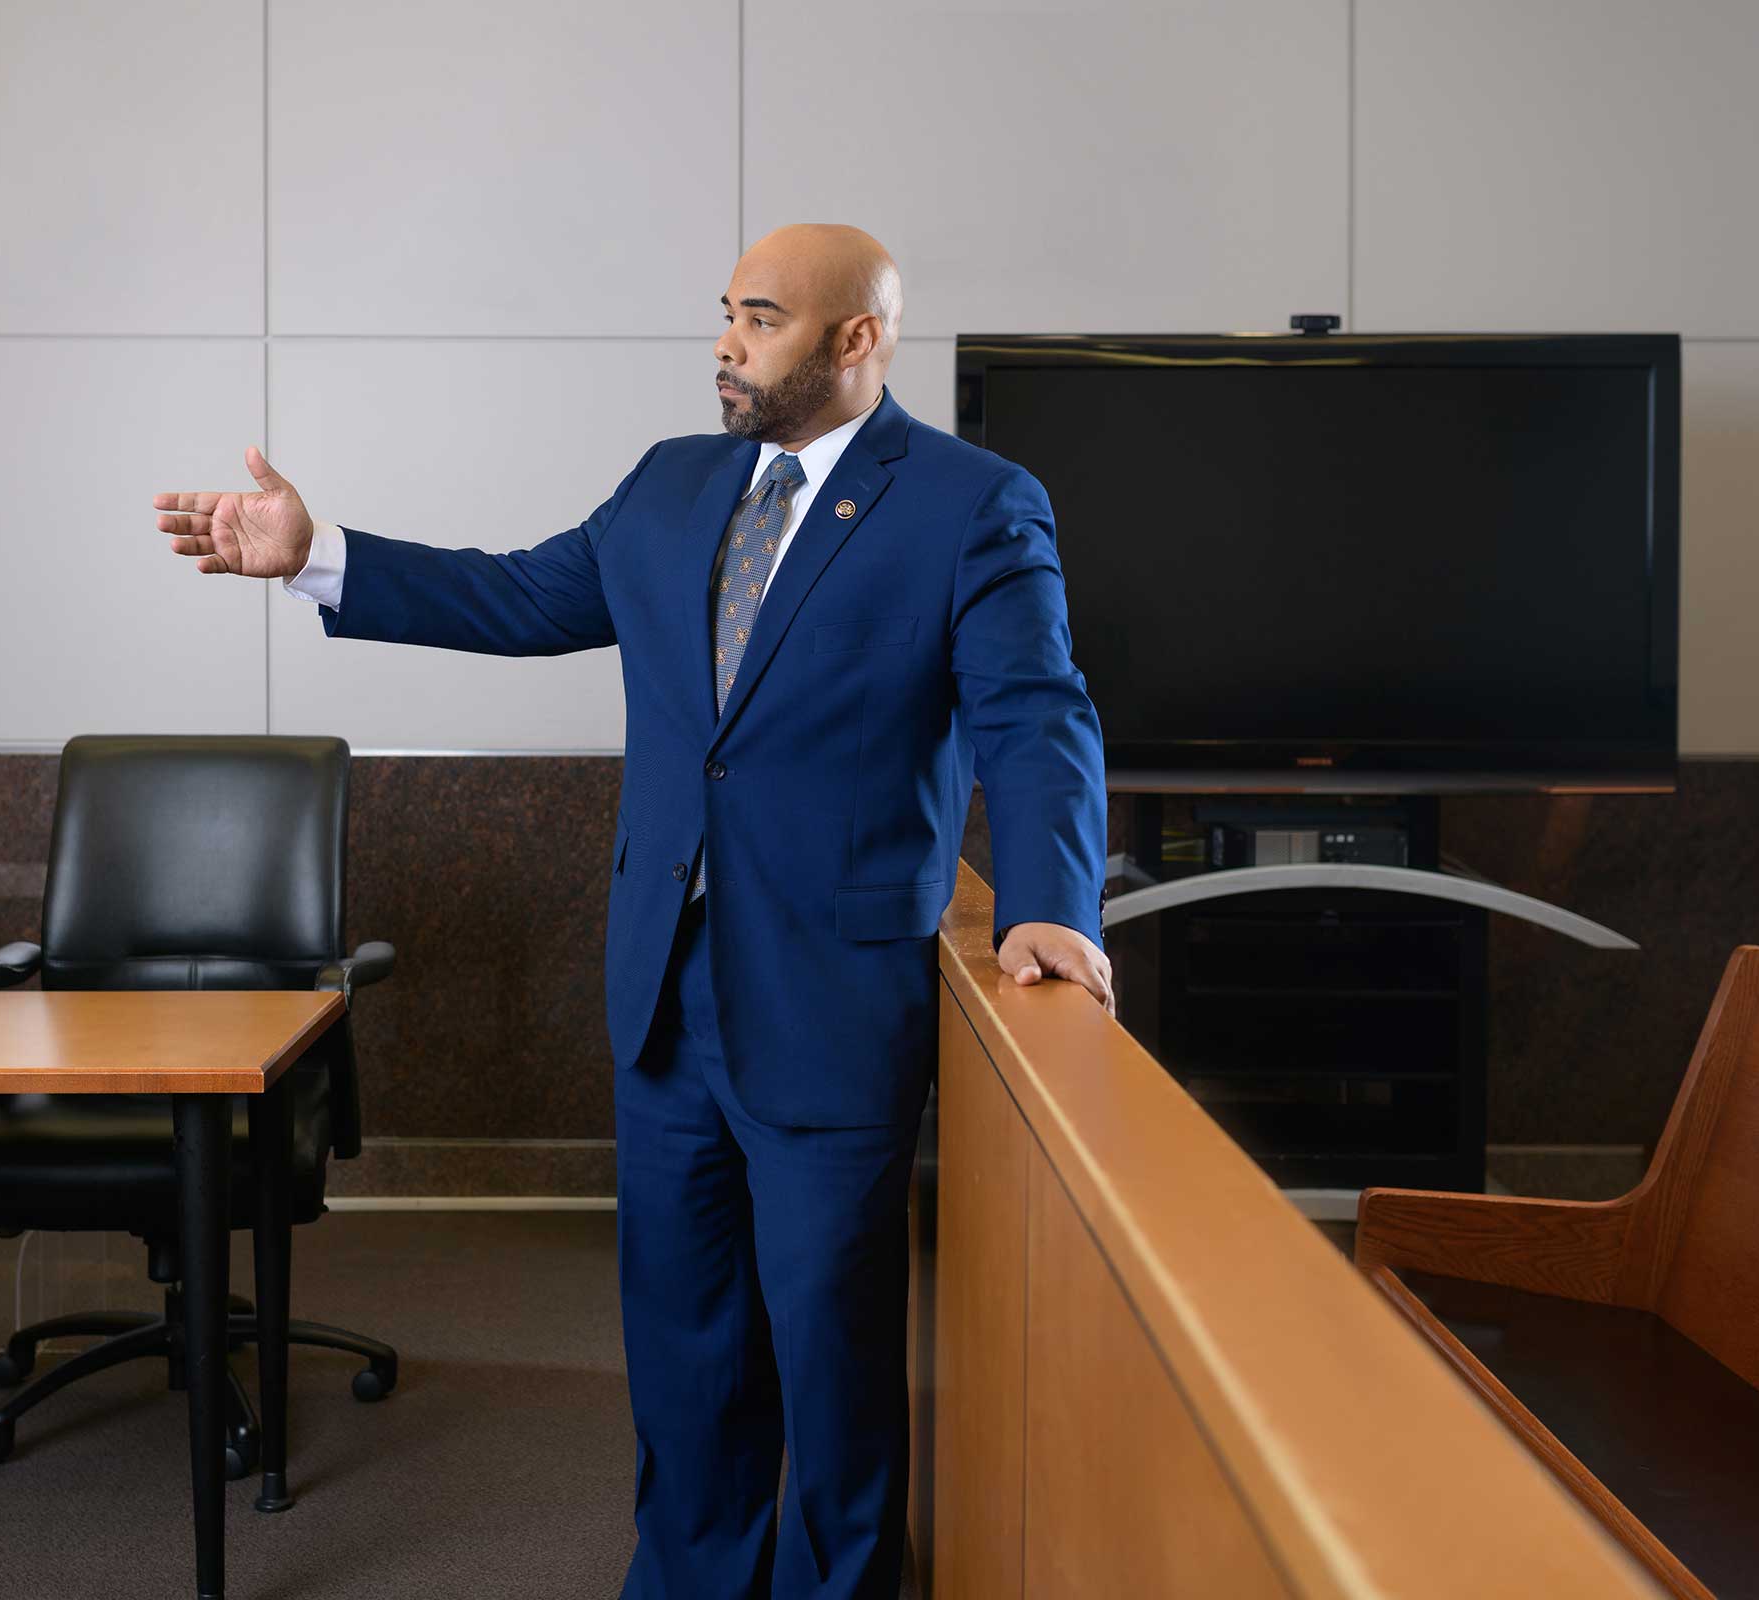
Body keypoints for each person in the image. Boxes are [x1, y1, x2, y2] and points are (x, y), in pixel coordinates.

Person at [153, 223, 1111, 1600]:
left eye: (762, 318)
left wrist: (1047, 904)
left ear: (856, 341)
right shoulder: (673, 486)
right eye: (725, 312)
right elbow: (517, 593)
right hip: (668, 999)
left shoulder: (972, 503)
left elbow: (1035, 716)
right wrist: (320, 555)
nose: (725, 341)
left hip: (834, 1005)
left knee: (834, 1366)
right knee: (686, 1349)